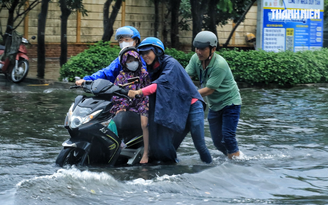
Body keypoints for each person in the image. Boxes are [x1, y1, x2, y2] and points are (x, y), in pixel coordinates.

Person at [128, 37, 212, 164]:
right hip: (178, 109)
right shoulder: (152, 68)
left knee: (199, 145)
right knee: (169, 147)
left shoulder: (170, 64)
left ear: (157, 51)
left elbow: (159, 85)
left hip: (192, 105)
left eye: (148, 52)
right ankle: (174, 174)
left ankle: (211, 169)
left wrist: (138, 92)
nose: (145, 56)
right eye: (142, 53)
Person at [185, 31, 242, 159]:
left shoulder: (219, 65)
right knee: (217, 142)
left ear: (213, 49)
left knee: (228, 136)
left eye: (203, 49)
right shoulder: (195, 59)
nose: (199, 52)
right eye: (197, 48)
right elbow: (186, 77)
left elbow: (209, 90)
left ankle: (238, 163)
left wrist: (188, 95)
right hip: (214, 105)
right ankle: (231, 158)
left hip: (230, 102)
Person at [110, 46, 151, 164]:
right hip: (126, 103)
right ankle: (119, 145)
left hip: (142, 101)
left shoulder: (144, 73)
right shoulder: (121, 76)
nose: (132, 63)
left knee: (144, 124)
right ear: (124, 62)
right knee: (115, 118)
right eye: (129, 61)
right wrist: (122, 106)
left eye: (134, 59)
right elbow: (116, 94)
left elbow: (148, 90)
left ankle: (146, 152)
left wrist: (142, 98)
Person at [75, 26, 146, 85]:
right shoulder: (121, 58)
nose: (123, 43)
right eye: (121, 40)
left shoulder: (144, 56)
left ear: (136, 41)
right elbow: (107, 72)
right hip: (125, 94)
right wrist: (87, 80)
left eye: (127, 40)